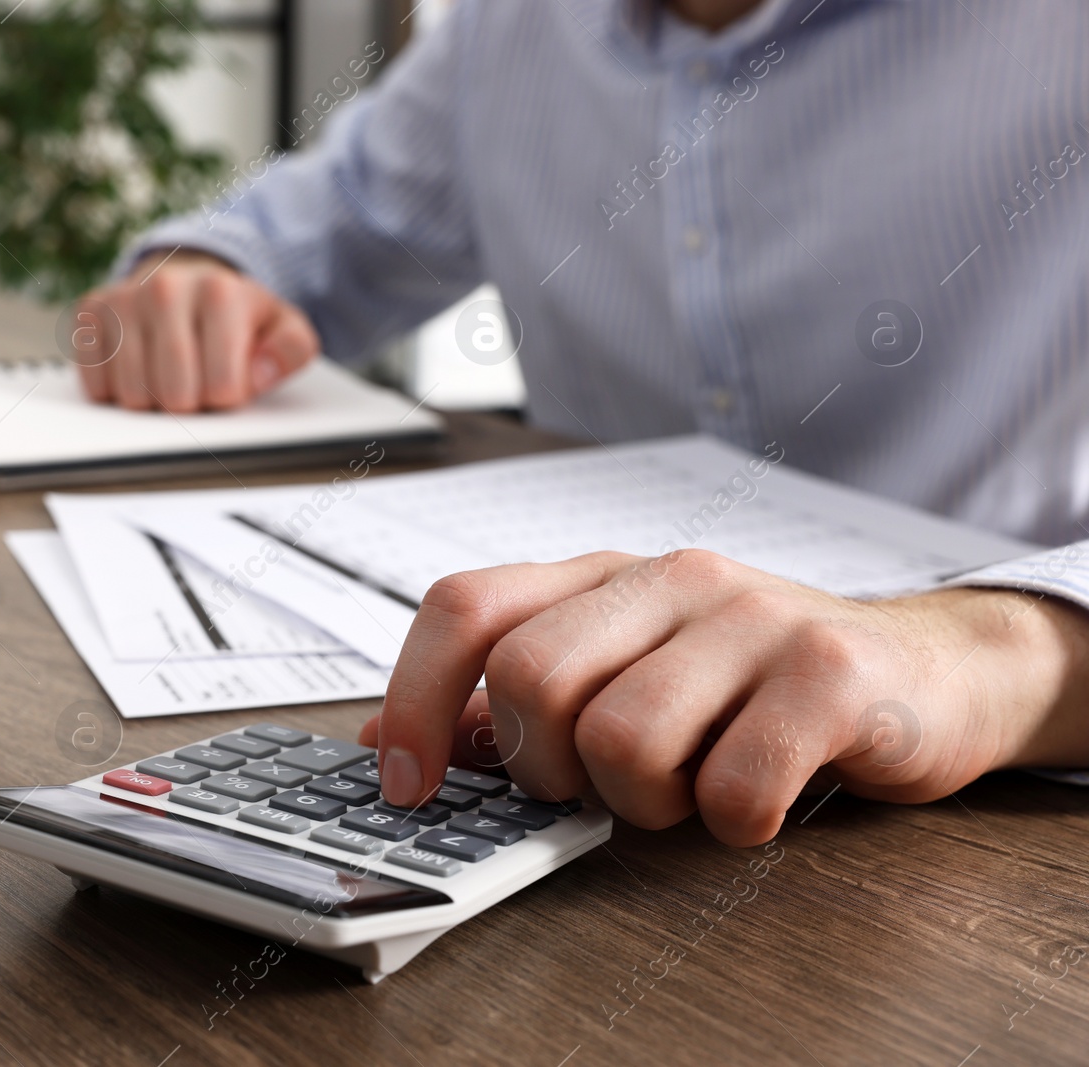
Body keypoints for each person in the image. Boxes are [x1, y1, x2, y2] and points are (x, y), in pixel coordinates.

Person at [72, 0, 1089, 846]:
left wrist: (996, 649)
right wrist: (209, 279)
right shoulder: (507, 31)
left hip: (979, 814)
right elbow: (318, 232)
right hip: (573, 757)